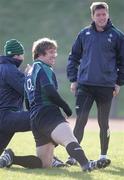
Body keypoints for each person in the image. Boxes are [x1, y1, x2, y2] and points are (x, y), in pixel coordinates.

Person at [0, 37, 108, 171]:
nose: (54, 55)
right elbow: (48, 90)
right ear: (40, 54)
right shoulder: (40, 67)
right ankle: (86, 164)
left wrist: (33, 112)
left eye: (54, 52)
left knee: (44, 163)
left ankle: (12, 157)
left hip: (34, 117)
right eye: (51, 52)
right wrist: (65, 107)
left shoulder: (27, 71)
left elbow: (28, 97)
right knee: (68, 137)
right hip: (42, 113)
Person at [66, 2, 124, 165]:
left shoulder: (117, 36)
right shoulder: (84, 34)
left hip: (106, 86)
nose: (101, 17)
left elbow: (122, 62)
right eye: (98, 15)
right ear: (92, 16)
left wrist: (119, 82)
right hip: (85, 85)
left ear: (108, 14)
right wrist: (73, 79)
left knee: (103, 122)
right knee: (80, 121)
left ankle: (103, 156)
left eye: (103, 14)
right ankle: (73, 156)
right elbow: (73, 57)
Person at [0, 39, 65, 168]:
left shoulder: (3, 67)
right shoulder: (10, 69)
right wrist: (29, 76)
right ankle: (50, 157)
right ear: (19, 55)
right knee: (44, 118)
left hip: (4, 119)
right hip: (7, 117)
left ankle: (9, 158)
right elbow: (29, 91)